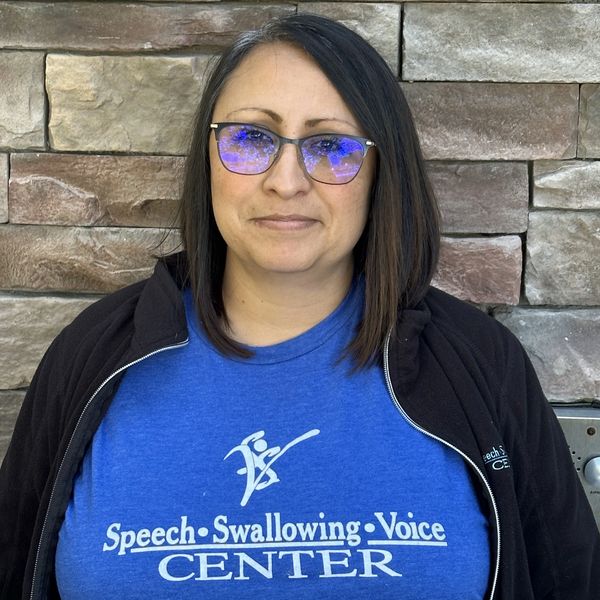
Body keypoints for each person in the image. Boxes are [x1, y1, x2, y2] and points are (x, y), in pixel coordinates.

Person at [0, 13, 598, 600]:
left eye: (330, 146)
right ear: (208, 159)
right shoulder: (94, 354)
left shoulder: (479, 363)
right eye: (251, 138)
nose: (286, 182)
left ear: (380, 172)